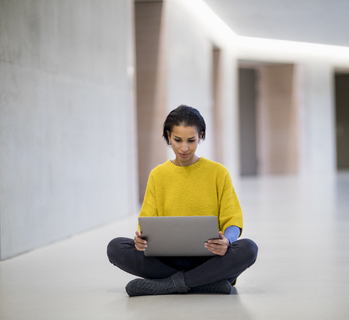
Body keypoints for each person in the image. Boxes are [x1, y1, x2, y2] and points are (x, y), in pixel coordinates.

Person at [107, 105, 258, 297]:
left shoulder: (218, 173)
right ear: (168, 136)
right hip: (166, 259)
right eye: (177, 140)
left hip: (209, 258)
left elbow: (233, 219)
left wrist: (227, 241)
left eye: (191, 140)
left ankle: (167, 285)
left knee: (249, 248)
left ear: (201, 136)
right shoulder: (158, 175)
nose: (184, 148)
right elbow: (146, 220)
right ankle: (204, 283)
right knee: (115, 247)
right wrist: (140, 239)